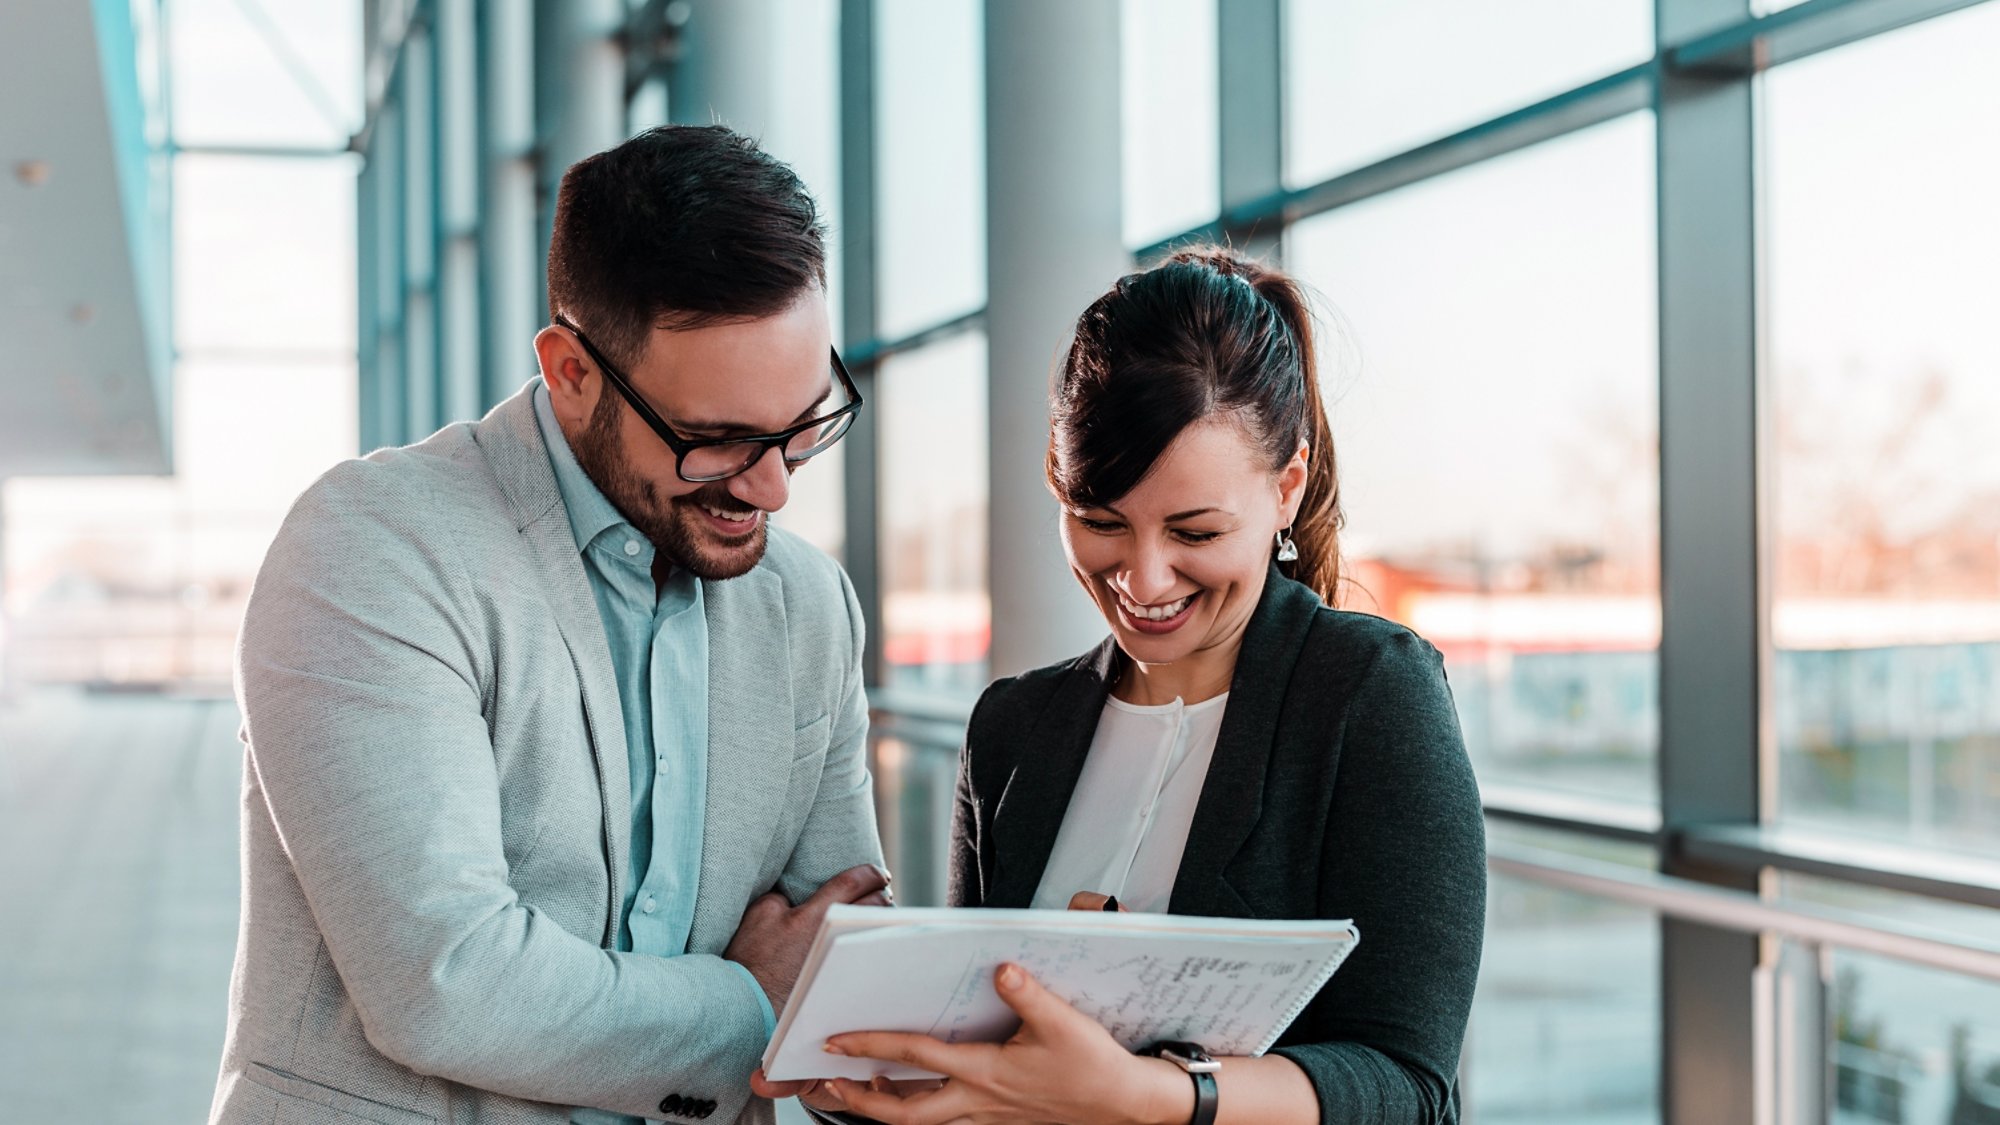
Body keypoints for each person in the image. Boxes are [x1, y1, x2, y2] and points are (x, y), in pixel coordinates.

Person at [210, 125, 890, 1125]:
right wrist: (754, 1004)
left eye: (802, 426)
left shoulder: (806, 603)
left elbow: (842, 961)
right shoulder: (373, 548)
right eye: (715, 441)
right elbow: (447, 982)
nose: (773, 486)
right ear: (571, 370)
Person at [790, 248, 1486, 1124]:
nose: (1145, 579)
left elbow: (1409, 1087)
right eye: (1101, 521)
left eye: (1194, 530)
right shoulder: (1013, 728)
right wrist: (876, 1076)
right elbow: (980, 1060)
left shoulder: (1369, 695)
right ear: (1058, 486)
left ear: (1287, 489)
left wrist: (1151, 1095)